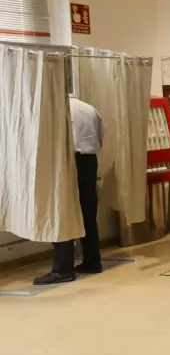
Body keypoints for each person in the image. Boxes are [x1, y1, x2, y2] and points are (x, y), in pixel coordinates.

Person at [34, 97, 105, 285]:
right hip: (89, 161)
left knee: (62, 212)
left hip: (66, 162)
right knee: (88, 213)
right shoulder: (90, 108)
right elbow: (100, 140)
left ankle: (62, 269)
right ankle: (92, 261)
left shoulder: (56, 108)